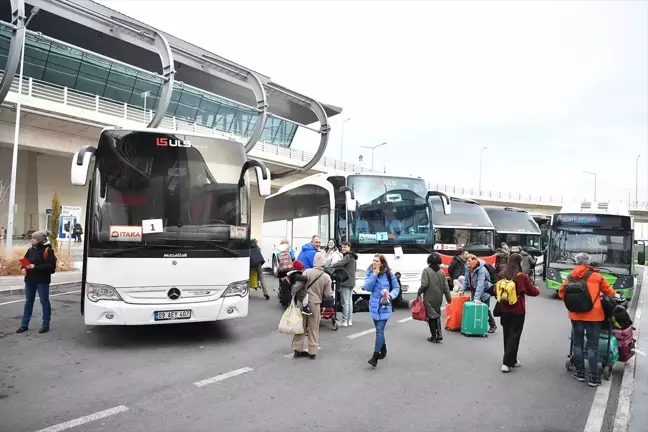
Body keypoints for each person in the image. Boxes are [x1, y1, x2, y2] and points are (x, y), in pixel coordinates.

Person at [559, 252, 616, 387]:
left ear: (576, 262)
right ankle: (593, 377)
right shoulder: (596, 276)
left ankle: (579, 373)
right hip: (594, 315)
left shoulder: (571, 276)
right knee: (592, 346)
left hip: (576, 315)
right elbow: (611, 293)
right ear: (589, 262)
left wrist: (575, 304)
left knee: (577, 344)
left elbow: (562, 293)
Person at [496, 253, 540, 373]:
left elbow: (496, 290)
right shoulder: (521, 276)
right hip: (518, 310)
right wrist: (538, 290)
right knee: (514, 336)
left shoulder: (501, 274)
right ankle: (506, 362)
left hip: (504, 309)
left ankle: (512, 359)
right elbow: (532, 291)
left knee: (507, 334)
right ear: (519, 263)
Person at [291, 253, 333, 359]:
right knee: (313, 327)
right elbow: (328, 294)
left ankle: (297, 349)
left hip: (302, 301)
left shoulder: (307, 272)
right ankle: (312, 351)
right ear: (324, 263)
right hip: (315, 303)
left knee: (300, 326)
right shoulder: (326, 277)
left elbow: (298, 286)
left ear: (314, 262)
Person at [16, 231, 57, 334]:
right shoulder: (30, 250)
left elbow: (51, 267)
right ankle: (24, 325)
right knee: (28, 302)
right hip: (30, 279)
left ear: (39, 240)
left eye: (34, 238)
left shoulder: (48, 250)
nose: (32, 240)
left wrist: (36, 267)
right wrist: (23, 268)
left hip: (42, 280)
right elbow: (25, 260)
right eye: (32, 238)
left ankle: (45, 324)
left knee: (44, 302)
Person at [365, 254, 400, 367]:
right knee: (379, 330)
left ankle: (375, 356)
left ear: (382, 263)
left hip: (385, 306)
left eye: (377, 261)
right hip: (374, 306)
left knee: (379, 330)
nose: (374, 263)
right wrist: (374, 275)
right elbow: (367, 287)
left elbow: (396, 288)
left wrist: (390, 295)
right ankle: (383, 348)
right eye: (373, 260)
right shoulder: (370, 272)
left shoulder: (389, 274)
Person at [417, 253, 452, 343]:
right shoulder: (442, 272)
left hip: (429, 297)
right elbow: (446, 287)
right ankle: (439, 333)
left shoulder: (426, 270)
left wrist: (419, 292)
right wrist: (449, 299)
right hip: (438, 298)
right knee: (437, 314)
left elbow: (424, 284)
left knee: (432, 316)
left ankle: (433, 336)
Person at [461, 254, 497, 333]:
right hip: (474, 289)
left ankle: (493, 325)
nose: (468, 263)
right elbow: (466, 280)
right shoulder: (468, 268)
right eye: (467, 261)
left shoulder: (482, 269)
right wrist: (462, 290)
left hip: (485, 290)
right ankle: (476, 325)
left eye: (469, 261)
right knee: (476, 308)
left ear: (475, 260)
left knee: (485, 308)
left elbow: (480, 284)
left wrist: (476, 298)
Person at [327, 240, 358, 327]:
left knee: (345, 302)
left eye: (345, 247)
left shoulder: (347, 256)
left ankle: (344, 321)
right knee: (349, 302)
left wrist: (330, 266)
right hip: (352, 281)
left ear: (349, 248)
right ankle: (349, 320)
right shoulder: (353, 257)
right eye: (343, 247)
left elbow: (339, 263)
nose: (343, 248)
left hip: (345, 281)